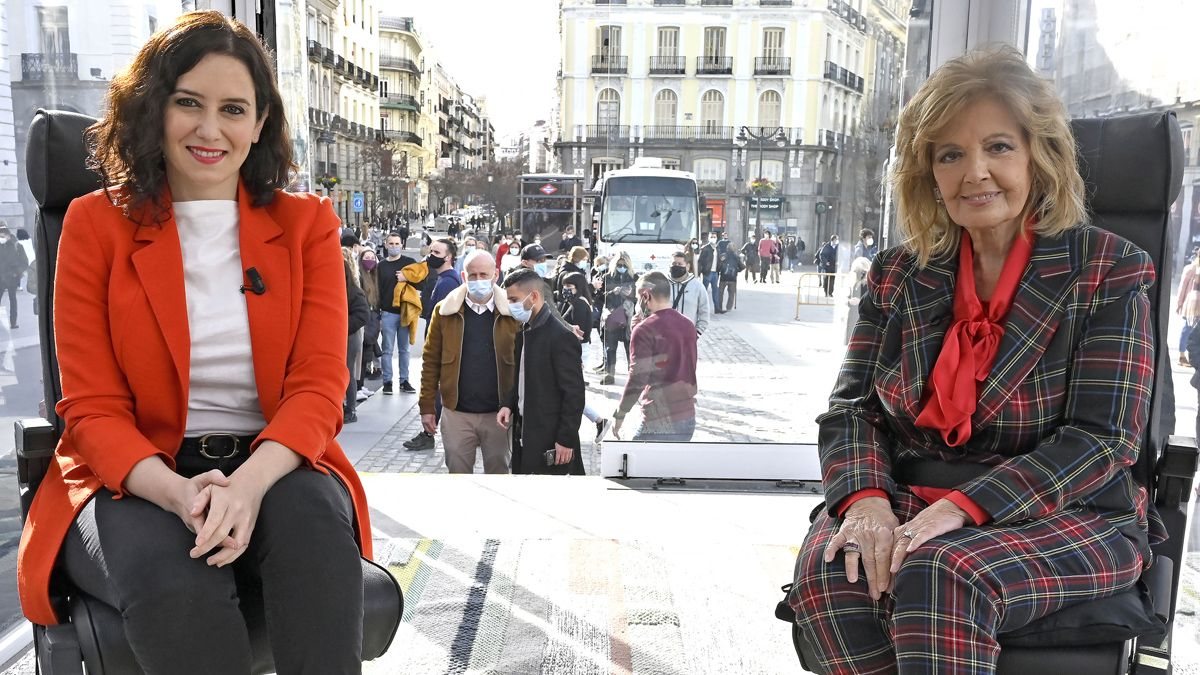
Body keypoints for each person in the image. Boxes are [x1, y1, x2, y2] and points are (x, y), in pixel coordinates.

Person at [17, 11, 370, 673]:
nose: (211, 129)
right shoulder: (95, 224)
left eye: (234, 108)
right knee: (174, 578)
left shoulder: (307, 226)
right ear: (154, 108)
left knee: (316, 537)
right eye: (189, 104)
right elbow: (90, 408)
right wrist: (180, 493)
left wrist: (247, 485)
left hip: (274, 462)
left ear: (260, 123)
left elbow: (319, 387)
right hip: (135, 474)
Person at [788, 45, 1154, 674]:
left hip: (1066, 513)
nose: (975, 172)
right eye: (950, 154)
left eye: (999, 147)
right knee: (833, 576)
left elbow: (1102, 440)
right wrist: (868, 502)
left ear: (1039, 155)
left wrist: (961, 508)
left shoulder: (1108, 269)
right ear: (928, 172)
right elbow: (852, 410)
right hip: (905, 496)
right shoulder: (898, 274)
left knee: (941, 574)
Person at [419, 250, 518, 473]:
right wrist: (427, 406)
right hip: (457, 413)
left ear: (496, 275)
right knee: (458, 476)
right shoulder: (444, 311)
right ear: (464, 276)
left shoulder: (512, 314)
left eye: (484, 274)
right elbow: (430, 361)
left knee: (499, 474)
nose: (478, 280)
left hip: (499, 414)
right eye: (472, 275)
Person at [497, 268, 586, 475]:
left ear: (534, 296)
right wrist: (508, 404)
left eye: (513, 299)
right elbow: (522, 376)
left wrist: (565, 439)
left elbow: (574, 394)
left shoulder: (561, 337)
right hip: (524, 434)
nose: (510, 306)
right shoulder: (524, 331)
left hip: (551, 441)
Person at [611, 271, 699, 442]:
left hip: (659, 418)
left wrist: (620, 413)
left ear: (646, 296)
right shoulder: (688, 324)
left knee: (637, 465)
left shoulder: (645, 330)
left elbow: (638, 377)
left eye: (638, 298)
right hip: (687, 415)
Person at [377, 231, 420, 394]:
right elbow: (378, 290)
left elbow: (422, 282)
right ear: (386, 245)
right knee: (387, 349)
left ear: (402, 244)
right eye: (391, 244)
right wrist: (378, 314)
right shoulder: (381, 266)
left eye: (397, 243)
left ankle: (404, 380)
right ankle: (387, 381)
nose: (394, 246)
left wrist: (406, 278)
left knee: (404, 349)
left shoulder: (409, 263)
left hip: (405, 312)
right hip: (387, 313)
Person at [599, 252, 637, 385]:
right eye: (619, 264)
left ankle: (631, 375)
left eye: (624, 265)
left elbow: (639, 297)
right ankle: (610, 374)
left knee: (630, 348)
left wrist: (630, 295)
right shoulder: (607, 277)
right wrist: (611, 292)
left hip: (628, 317)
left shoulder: (634, 277)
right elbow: (599, 297)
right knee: (610, 347)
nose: (622, 267)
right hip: (612, 316)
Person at [342, 249, 370, 424]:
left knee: (348, 372)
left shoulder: (353, 291)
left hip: (349, 337)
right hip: (338, 335)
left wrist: (342, 327)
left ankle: (350, 409)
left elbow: (362, 314)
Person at [665, 251, 711, 333]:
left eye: (680, 264)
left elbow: (704, 313)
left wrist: (696, 334)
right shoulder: (662, 284)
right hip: (665, 335)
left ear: (687, 266)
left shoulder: (698, 286)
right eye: (674, 263)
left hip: (687, 335)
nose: (676, 266)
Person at [0, 226, 29, 329]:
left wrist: (16, 273)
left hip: (12, 278)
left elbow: (24, 262)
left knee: (13, 301)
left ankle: (13, 322)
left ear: (8, 235)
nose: (1, 238)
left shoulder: (17, 246)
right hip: (1, 278)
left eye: (2, 236)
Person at [1176, 247, 1200, 366]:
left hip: (1194, 303)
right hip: (1192, 303)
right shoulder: (1190, 269)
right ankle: (1181, 355)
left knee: (1193, 330)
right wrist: (1179, 303)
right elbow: (1182, 287)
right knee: (1187, 329)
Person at [717, 245, 745, 313]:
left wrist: (719, 270)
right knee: (731, 293)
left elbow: (719, 265)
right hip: (733, 278)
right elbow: (743, 266)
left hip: (723, 277)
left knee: (720, 293)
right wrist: (737, 270)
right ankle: (729, 307)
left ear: (727, 248)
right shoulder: (736, 257)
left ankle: (719, 306)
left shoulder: (723, 256)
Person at [696, 232, 720, 309]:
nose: (713, 238)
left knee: (715, 290)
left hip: (715, 272)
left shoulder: (717, 248)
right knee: (704, 290)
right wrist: (699, 273)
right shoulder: (705, 248)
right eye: (712, 237)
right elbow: (700, 261)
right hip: (707, 272)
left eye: (715, 237)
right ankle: (700, 307)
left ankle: (717, 308)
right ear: (709, 238)